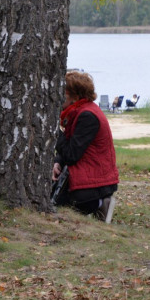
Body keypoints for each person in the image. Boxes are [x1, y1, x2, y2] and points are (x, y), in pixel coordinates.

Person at [51, 70, 118, 223]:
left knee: (59, 207)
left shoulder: (87, 116)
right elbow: (71, 144)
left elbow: (72, 154)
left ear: (74, 95)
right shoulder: (80, 111)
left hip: (96, 182)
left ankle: (99, 204)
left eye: (63, 92)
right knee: (52, 199)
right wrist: (58, 162)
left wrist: (53, 131)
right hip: (92, 176)